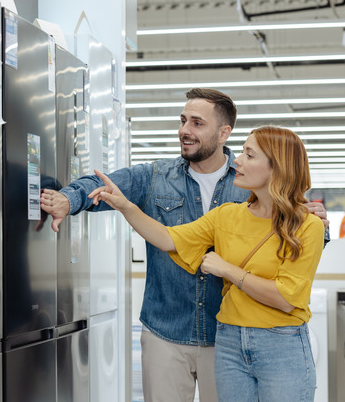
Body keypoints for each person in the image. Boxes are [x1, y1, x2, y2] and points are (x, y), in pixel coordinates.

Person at [40, 88, 328, 402]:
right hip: (168, 330)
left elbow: (293, 248)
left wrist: (316, 226)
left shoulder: (247, 183)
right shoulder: (156, 178)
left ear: (223, 133)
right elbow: (107, 188)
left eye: (197, 123)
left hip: (225, 337)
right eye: (183, 121)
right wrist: (69, 200)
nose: (184, 130)